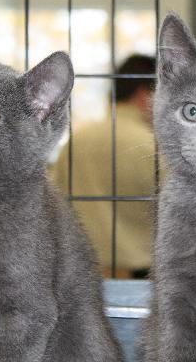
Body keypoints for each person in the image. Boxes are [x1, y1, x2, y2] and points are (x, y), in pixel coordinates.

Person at [52, 54, 157, 278]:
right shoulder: (154, 148)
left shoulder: (75, 141)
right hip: (143, 277)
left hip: (82, 273)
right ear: (143, 95)